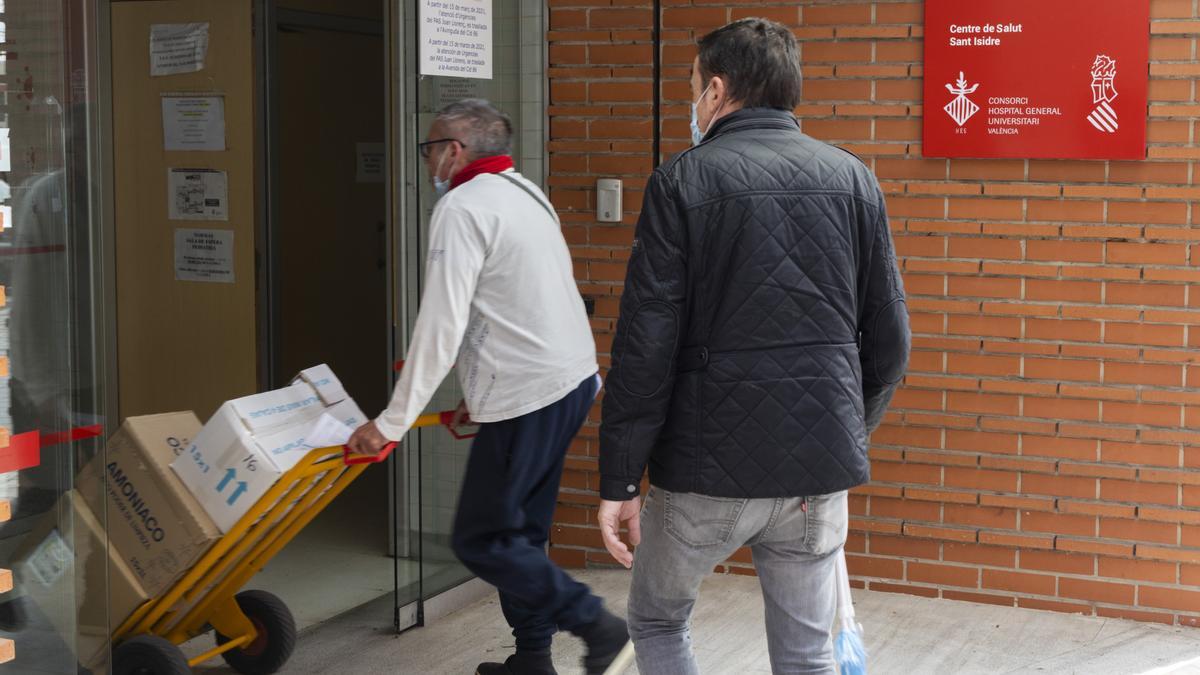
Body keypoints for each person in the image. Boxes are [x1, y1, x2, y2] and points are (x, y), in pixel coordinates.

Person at [596, 18, 911, 675]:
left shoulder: (681, 182)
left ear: (715, 90)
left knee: (657, 621)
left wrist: (620, 477)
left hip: (703, 472)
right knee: (807, 653)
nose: (692, 101)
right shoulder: (854, 181)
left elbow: (645, 346)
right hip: (814, 475)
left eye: (691, 86)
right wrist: (845, 426)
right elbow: (890, 345)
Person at [347, 99, 629, 675]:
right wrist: (481, 399)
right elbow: (518, 304)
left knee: (485, 539)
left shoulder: (462, 206)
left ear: (453, 150)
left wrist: (390, 423)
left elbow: (441, 325)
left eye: (430, 148)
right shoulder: (527, 193)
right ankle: (531, 659)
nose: (428, 162)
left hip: (531, 391)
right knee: (519, 533)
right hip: (569, 381)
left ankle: (601, 629)